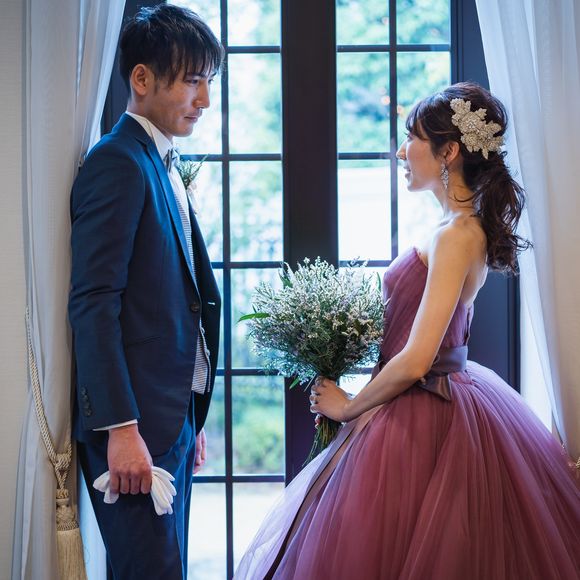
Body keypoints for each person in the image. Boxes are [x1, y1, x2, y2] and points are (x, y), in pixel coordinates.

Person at [235, 82, 580, 579]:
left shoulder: (458, 235)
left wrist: (349, 406)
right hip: (422, 403)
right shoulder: (455, 229)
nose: (401, 151)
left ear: (449, 151)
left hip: (423, 412)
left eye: (412, 137)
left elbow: (419, 358)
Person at [68, 5, 223, 578]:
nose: (204, 100)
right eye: (193, 80)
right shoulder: (117, 162)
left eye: (209, 82)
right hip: (132, 426)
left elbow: (180, 297)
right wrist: (121, 427)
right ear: (141, 78)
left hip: (167, 417)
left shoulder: (157, 160)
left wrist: (188, 417)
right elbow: (94, 302)